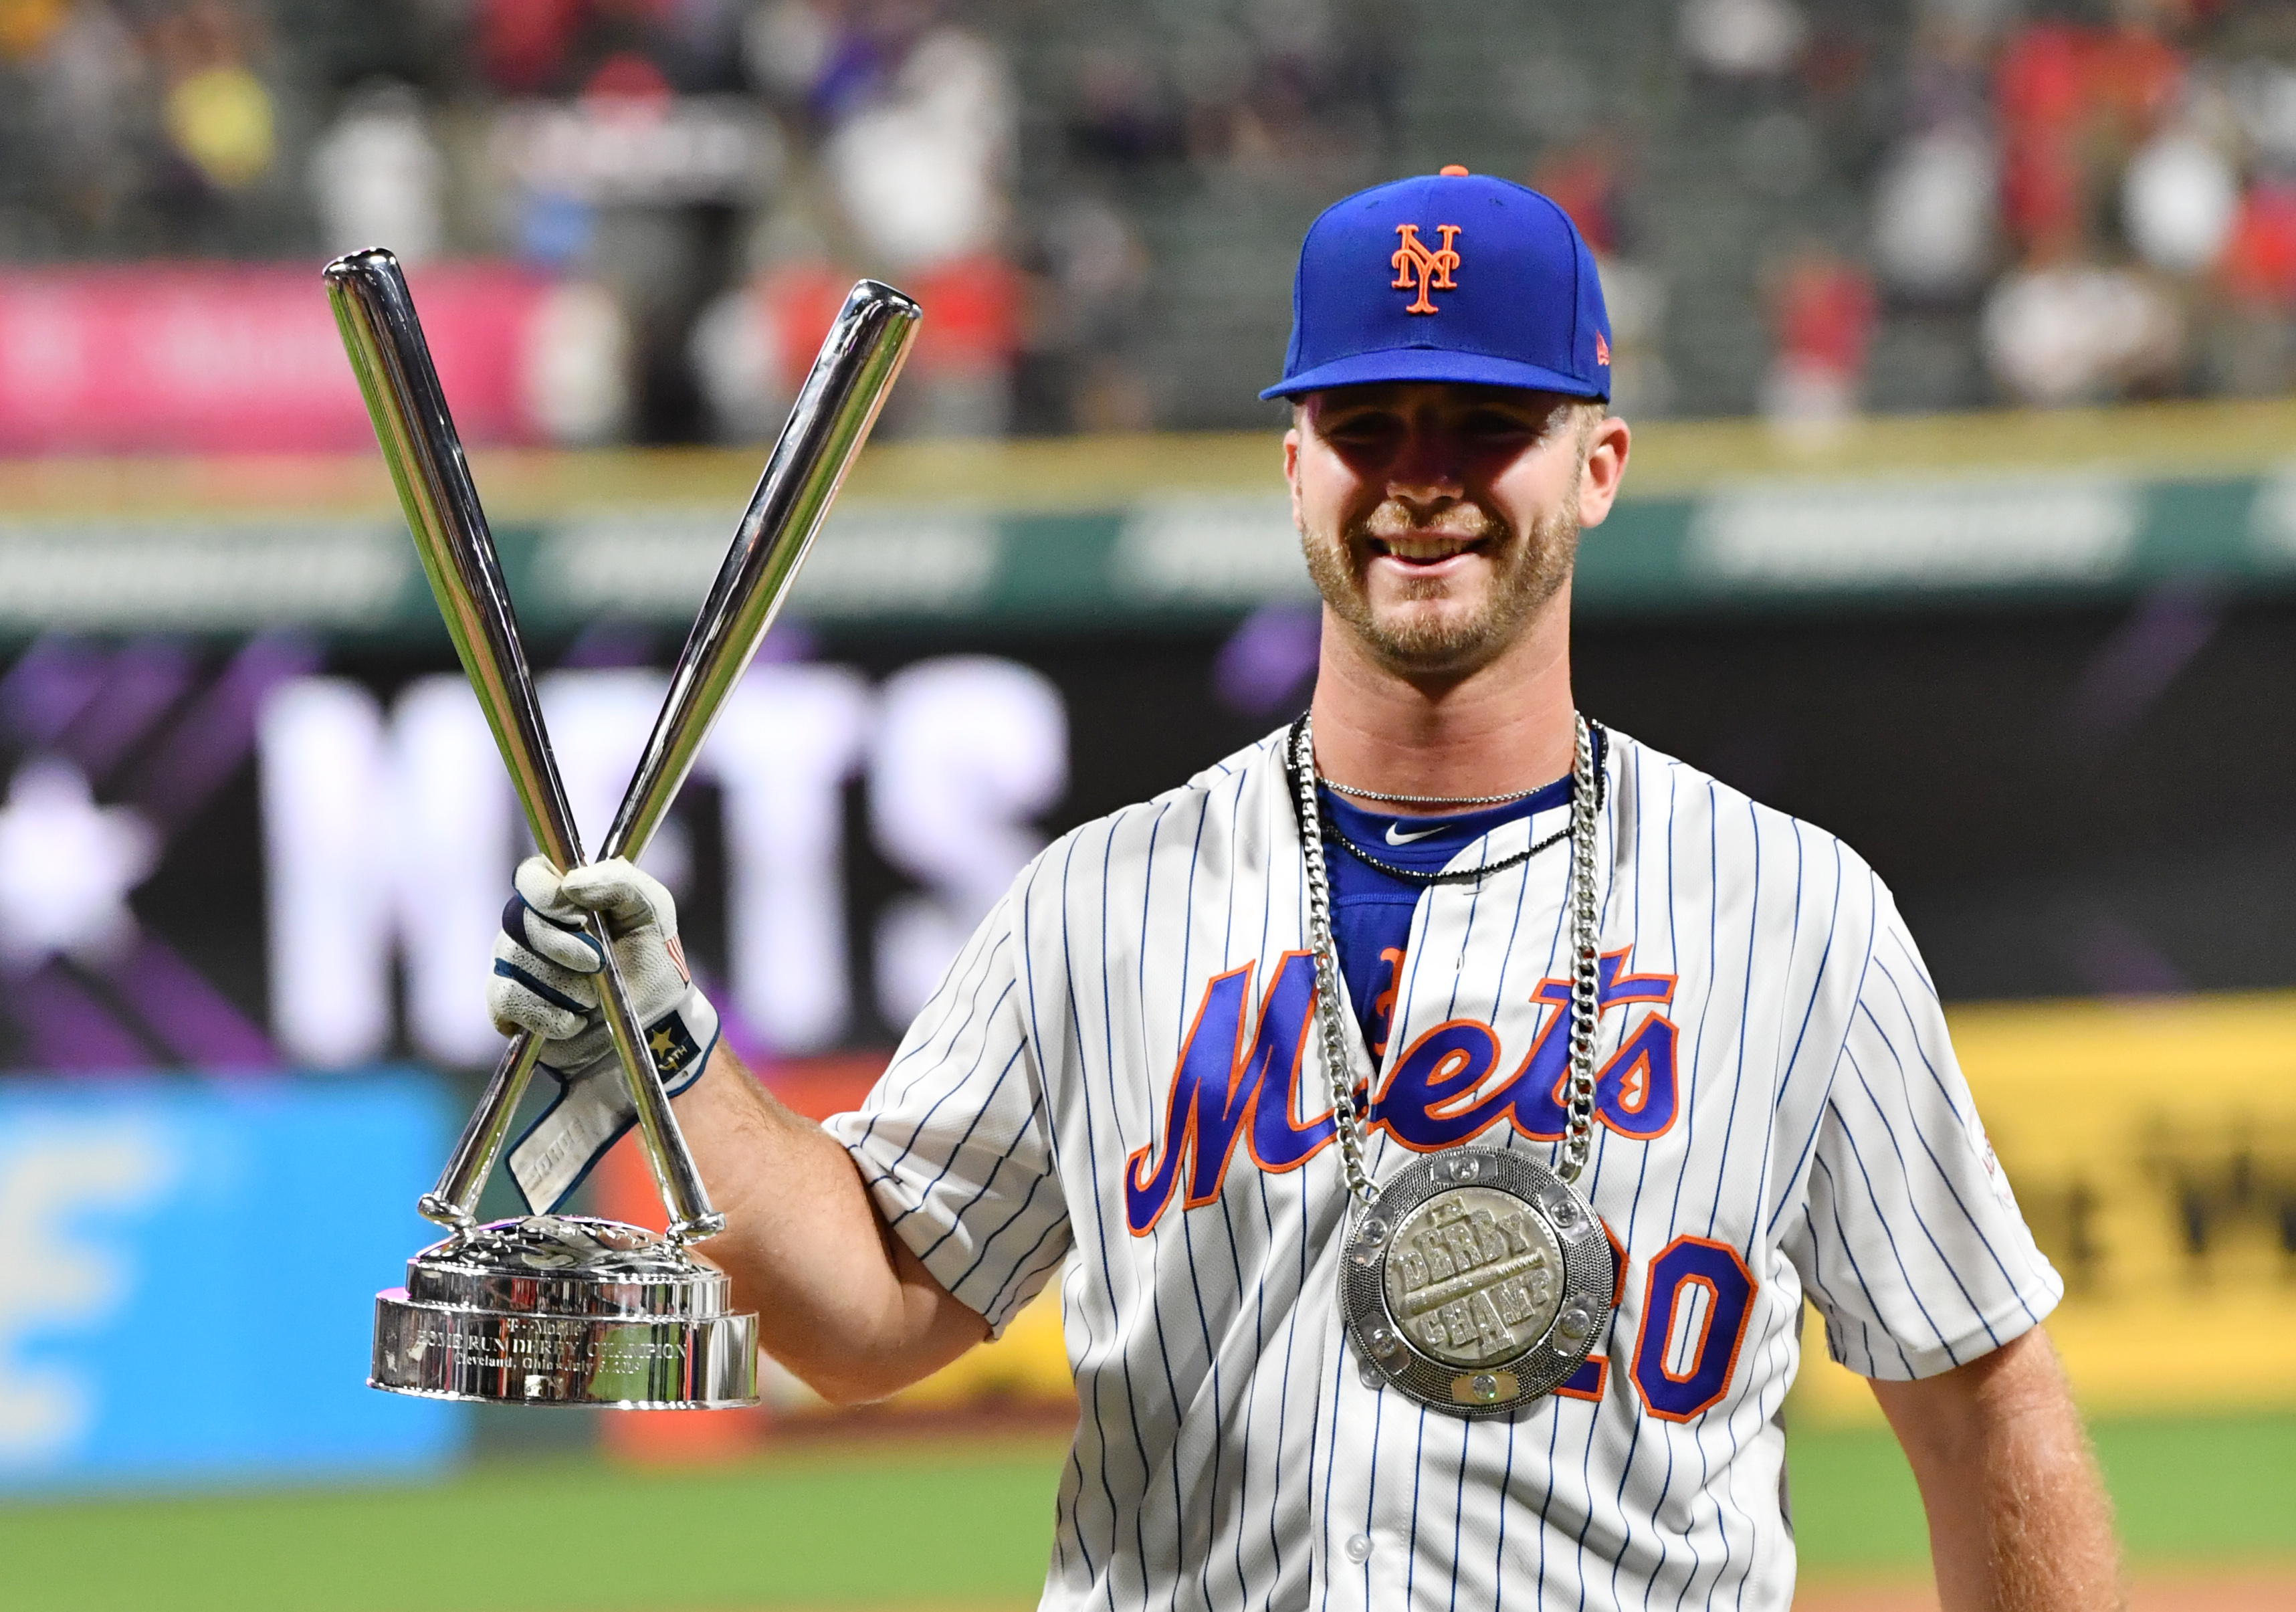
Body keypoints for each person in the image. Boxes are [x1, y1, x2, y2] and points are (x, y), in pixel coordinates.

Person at [488, 169, 2121, 1610]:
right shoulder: (1097, 902)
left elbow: (1980, 1391)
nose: (1420, 477)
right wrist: (671, 1056)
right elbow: (870, 1314)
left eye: (1486, 423)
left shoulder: (1796, 913)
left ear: (1598, 464)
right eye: (1366, 424)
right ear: (1294, 465)